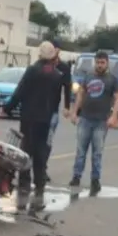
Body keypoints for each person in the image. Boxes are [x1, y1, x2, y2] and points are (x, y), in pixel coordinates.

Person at [4, 42, 64, 212]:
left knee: (26, 153)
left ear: (39, 54)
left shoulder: (31, 71)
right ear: (53, 55)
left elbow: (20, 92)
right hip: (45, 120)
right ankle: (39, 189)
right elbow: (56, 101)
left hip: (29, 118)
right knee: (40, 154)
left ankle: (24, 187)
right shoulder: (57, 75)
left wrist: (8, 108)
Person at [68, 51, 118, 197]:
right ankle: (76, 177)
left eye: (102, 62)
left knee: (97, 153)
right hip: (85, 119)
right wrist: (74, 112)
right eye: (97, 62)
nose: (99, 65)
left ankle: (95, 180)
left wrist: (114, 116)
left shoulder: (112, 79)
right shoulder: (88, 76)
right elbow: (80, 94)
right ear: (95, 62)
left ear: (107, 63)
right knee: (80, 151)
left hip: (101, 122)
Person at [44, 43, 73, 176]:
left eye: (55, 49)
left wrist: (67, 107)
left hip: (53, 110)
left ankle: (42, 168)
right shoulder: (42, 65)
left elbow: (67, 87)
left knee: (48, 141)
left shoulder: (63, 68)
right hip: (38, 109)